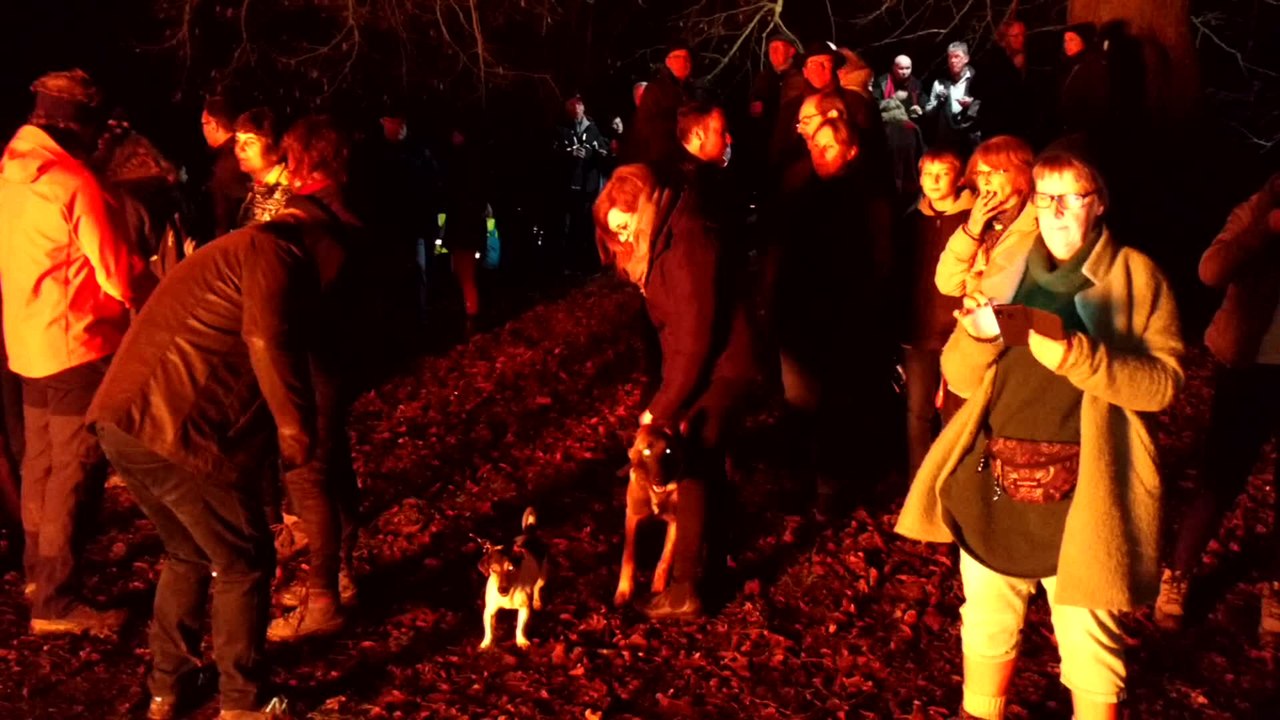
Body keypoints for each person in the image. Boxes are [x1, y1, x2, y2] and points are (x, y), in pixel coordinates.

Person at [896, 150, 1184, 720]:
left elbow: (1163, 386)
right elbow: (958, 375)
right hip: (994, 480)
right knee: (985, 619)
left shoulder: (1135, 276)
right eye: (1043, 197)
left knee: (1090, 641)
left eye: (1068, 196)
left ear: (1098, 203)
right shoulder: (1007, 268)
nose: (1053, 210)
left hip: (1088, 493)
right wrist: (978, 336)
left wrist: (1078, 356)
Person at [87, 119, 321, 717]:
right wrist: (296, 431)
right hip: (172, 428)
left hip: (123, 419)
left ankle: (167, 688)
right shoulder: (272, 249)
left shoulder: (234, 249)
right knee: (244, 560)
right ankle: (243, 699)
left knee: (189, 551)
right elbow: (266, 341)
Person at [0, 69, 154, 635]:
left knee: (38, 464)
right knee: (74, 471)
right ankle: (58, 602)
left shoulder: (11, 171)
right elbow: (119, 277)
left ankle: (39, 574)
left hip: (25, 342)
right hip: (77, 344)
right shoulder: (72, 182)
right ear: (79, 125)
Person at [593, 106, 755, 620]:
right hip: (705, 363)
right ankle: (716, 559)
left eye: (624, 228)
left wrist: (662, 408)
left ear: (645, 212)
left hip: (724, 363)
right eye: (612, 231)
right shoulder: (660, 238)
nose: (620, 239)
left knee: (697, 462)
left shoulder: (684, 244)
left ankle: (686, 588)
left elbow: (694, 335)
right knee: (705, 460)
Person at [1155, 173, 1280, 639]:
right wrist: (1265, 229)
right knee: (1218, 479)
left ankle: (1276, 590)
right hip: (1248, 367)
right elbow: (1210, 270)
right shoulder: (1256, 208)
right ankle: (1179, 575)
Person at [261, 116, 364, 642]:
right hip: (338, 360)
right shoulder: (342, 205)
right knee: (331, 466)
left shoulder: (310, 221)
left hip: (315, 365)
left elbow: (296, 301)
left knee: (309, 475)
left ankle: (324, 593)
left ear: (300, 160)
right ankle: (342, 570)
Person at [774, 117, 894, 509]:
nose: (818, 154)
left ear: (851, 151)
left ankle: (830, 485)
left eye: (828, 147)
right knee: (799, 405)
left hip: (845, 323)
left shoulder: (868, 200)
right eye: (815, 146)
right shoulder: (800, 194)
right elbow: (784, 258)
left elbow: (880, 265)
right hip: (799, 322)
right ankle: (797, 482)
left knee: (838, 408)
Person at [894, 148, 974, 478]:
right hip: (918, 329)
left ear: (958, 178)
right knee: (917, 410)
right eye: (928, 174)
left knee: (955, 412)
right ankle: (920, 480)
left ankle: (952, 479)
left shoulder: (971, 221)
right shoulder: (911, 222)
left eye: (942, 173)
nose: (934, 181)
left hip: (958, 330)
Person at [935, 135, 1039, 304]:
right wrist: (972, 231)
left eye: (996, 171)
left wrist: (977, 283)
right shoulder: (977, 219)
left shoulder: (1036, 223)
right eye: (980, 173)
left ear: (1022, 174)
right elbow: (948, 284)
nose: (986, 180)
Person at [554, 96, 609, 272]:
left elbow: (603, 152)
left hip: (588, 187)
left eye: (579, 104)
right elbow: (551, 153)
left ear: (584, 107)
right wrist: (569, 153)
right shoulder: (562, 129)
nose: (576, 108)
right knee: (566, 226)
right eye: (572, 104)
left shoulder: (593, 129)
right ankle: (565, 265)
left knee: (586, 225)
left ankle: (587, 264)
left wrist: (593, 153)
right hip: (568, 186)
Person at [626, 45, 692, 166]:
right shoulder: (656, 91)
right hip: (664, 162)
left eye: (688, 58)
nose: (687, 62)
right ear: (669, 61)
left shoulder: (688, 91)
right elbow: (649, 128)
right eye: (682, 58)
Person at [201, 96, 250, 241]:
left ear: (213, 125)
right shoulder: (236, 156)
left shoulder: (227, 164)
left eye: (203, 124)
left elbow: (225, 214)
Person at [234, 107, 292, 227]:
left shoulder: (284, 193)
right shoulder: (258, 187)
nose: (240, 149)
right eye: (237, 140)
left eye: (250, 142)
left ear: (275, 149)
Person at [925, 41, 981, 154]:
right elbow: (928, 113)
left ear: (966, 59)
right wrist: (939, 102)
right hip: (946, 144)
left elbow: (988, 108)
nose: (952, 61)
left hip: (969, 141)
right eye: (950, 57)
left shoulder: (977, 81)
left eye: (957, 57)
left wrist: (971, 104)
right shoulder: (939, 83)